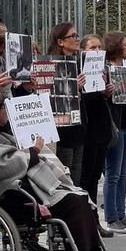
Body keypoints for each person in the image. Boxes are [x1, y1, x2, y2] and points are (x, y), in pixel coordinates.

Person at [0, 85, 122, 251]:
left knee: (82, 200)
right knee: (75, 203)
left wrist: (30, 152)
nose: (7, 112)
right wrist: (32, 152)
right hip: (6, 195)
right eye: (4, 108)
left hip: (21, 189)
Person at [102, 31, 126, 234]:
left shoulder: (125, 68)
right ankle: (111, 217)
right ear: (116, 45)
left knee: (123, 173)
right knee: (113, 175)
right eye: (125, 44)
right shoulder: (106, 69)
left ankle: (121, 214)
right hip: (115, 125)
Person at [76, 34, 115, 236]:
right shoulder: (78, 71)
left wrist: (106, 92)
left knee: (94, 179)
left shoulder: (103, 69)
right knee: (85, 178)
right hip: (87, 130)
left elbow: (102, 101)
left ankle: (94, 222)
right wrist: (81, 88)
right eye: (92, 47)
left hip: (101, 129)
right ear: (82, 50)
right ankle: (86, 225)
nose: (97, 51)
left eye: (99, 47)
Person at [46, 21, 85, 184]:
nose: (77, 39)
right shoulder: (50, 65)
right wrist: (71, 86)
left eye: (77, 35)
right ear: (60, 42)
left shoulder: (79, 63)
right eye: (72, 36)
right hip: (62, 130)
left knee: (77, 174)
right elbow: (49, 96)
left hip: (79, 126)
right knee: (65, 175)